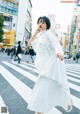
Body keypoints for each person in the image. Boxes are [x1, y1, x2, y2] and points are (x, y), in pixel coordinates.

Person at [27, 16, 73, 114]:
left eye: (43, 22)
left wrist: (59, 53)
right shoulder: (40, 36)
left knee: (47, 86)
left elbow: (56, 44)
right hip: (46, 66)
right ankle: (41, 110)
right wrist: (36, 32)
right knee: (45, 87)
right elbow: (29, 44)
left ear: (47, 24)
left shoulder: (49, 34)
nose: (41, 23)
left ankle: (40, 110)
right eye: (39, 22)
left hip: (53, 64)